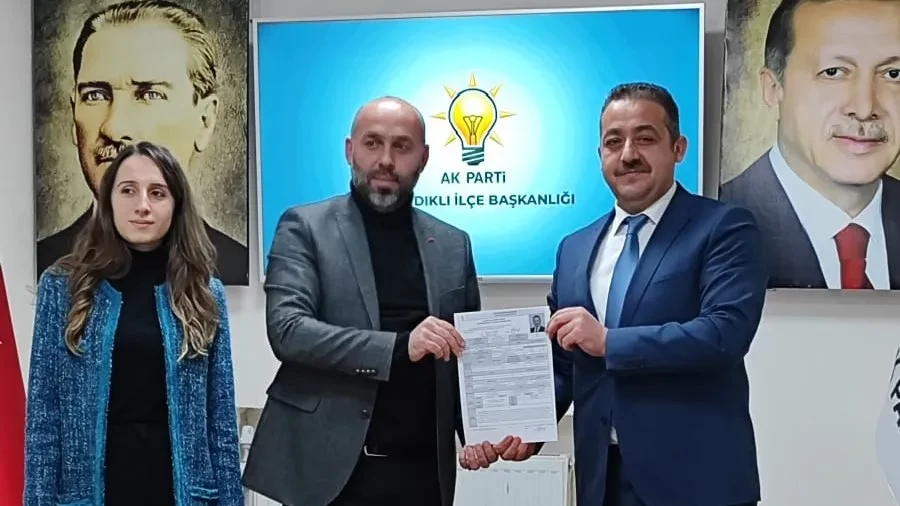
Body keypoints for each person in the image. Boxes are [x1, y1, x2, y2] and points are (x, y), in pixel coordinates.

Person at [522, 83, 767, 506]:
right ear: (600, 154)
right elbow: (565, 363)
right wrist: (529, 427)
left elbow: (725, 333)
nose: (628, 154)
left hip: (698, 481)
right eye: (613, 142)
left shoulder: (724, 228)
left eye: (645, 138)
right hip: (603, 480)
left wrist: (608, 342)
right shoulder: (574, 248)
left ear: (678, 148)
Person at [241, 96, 482, 506]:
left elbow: (466, 354)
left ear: (423, 158)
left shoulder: (453, 244)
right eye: (373, 143)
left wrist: (480, 431)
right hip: (329, 472)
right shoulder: (304, 227)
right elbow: (288, 331)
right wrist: (401, 346)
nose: (385, 160)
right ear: (350, 150)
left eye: (401, 146)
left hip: (422, 473)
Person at [23, 141, 243, 505]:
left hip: (180, 494)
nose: (142, 205)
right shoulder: (63, 288)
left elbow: (220, 425)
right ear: (108, 200)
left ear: (176, 205)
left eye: (157, 193)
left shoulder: (204, 292)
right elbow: (43, 423)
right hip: (92, 494)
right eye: (128, 190)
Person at [35, 0, 248, 285]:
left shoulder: (229, 268)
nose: (114, 127)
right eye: (96, 95)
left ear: (205, 119)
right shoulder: (52, 272)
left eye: (150, 94)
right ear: (74, 115)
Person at [719, 0, 900, 290]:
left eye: (893, 74)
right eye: (833, 72)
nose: (865, 108)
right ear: (773, 89)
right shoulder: (710, 223)